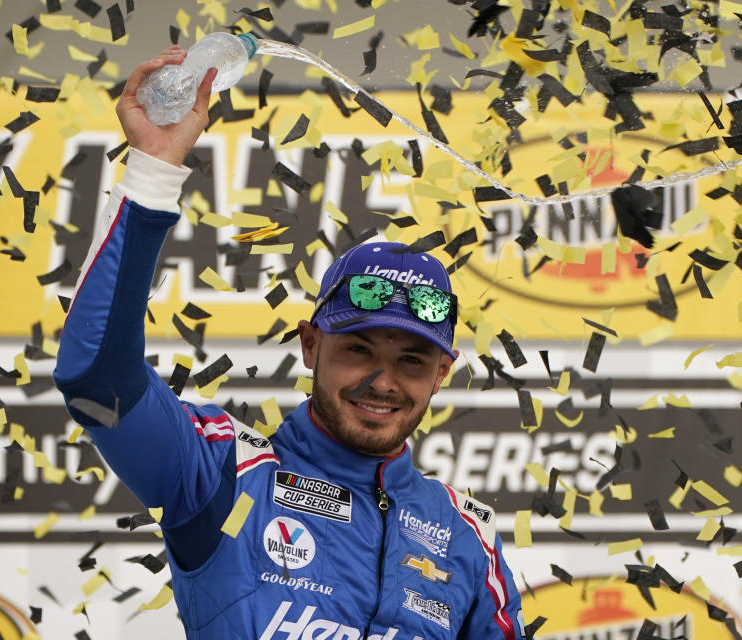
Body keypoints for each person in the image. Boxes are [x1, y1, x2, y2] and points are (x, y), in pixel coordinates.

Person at [53, 46, 527, 640]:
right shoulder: (223, 471)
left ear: (441, 374)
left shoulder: (464, 534)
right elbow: (97, 380)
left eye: (411, 360)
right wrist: (153, 169)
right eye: (358, 349)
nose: (382, 381)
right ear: (310, 346)